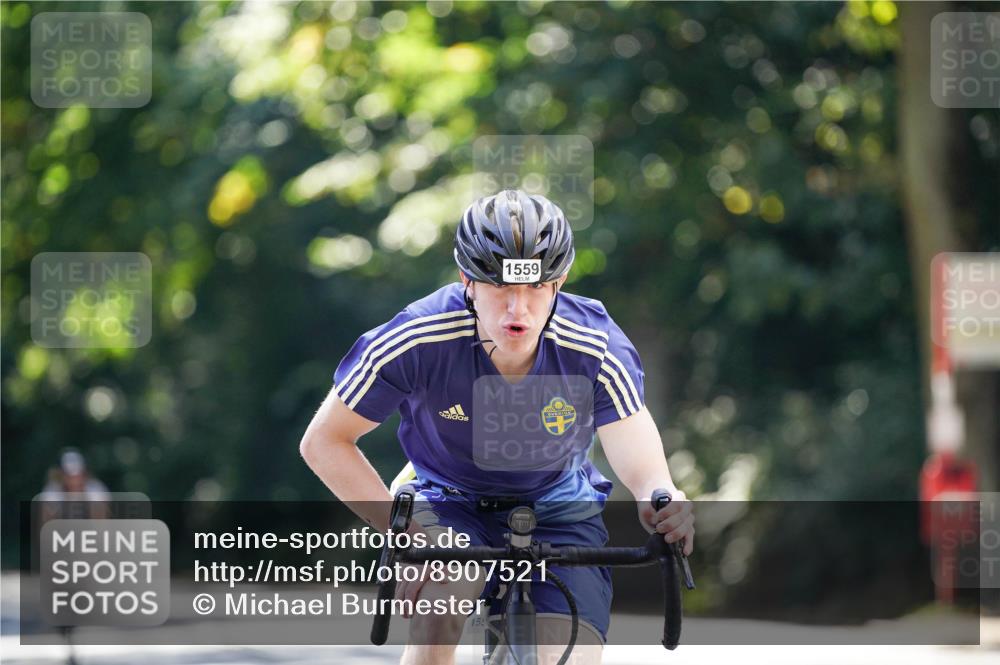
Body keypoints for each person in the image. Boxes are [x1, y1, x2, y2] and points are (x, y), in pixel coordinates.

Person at [300, 189, 694, 665]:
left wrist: (659, 491)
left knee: (562, 655)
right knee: (442, 603)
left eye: (533, 289)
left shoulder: (595, 345)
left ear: (559, 282)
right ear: (467, 280)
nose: (517, 310)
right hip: (447, 497)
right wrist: (403, 531)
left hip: (557, 505)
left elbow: (631, 434)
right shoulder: (417, 338)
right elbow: (325, 440)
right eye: (501, 288)